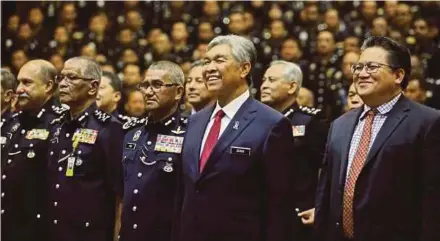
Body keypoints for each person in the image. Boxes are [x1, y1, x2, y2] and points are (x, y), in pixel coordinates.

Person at [315, 36, 440, 241]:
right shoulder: (339, 125)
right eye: (358, 67)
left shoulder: (428, 123)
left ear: (398, 75)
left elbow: (433, 201)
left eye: (372, 67)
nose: (362, 74)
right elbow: (325, 194)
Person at [177, 35, 296, 241]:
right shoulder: (195, 122)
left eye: (219, 60)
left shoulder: (271, 124)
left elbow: (278, 207)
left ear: (244, 69)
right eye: (207, 61)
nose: (209, 68)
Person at [46, 57, 123, 241]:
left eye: (71, 78)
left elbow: (119, 194)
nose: (63, 84)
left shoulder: (108, 128)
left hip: (89, 233)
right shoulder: (57, 125)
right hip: (55, 230)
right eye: (61, 78)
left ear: (92, 87)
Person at [260, 60, 329, 241]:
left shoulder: (311, 122)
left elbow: (327, 169)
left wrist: (320, 206)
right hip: (261, 212)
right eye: (264, 80)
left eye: (272, 80)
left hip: (297, 216)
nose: (264, 85)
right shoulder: (257, 120)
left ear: (292, 87)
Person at [119, 61, 186, 241]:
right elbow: (120, 194)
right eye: (145, 85)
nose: (148, 92)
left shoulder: (190, 134)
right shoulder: (131, 133)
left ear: (178, 92)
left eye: (157, 85)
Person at [1, 60, 65, 241]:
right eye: (18, 82)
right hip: (8, 223)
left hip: (39, 228)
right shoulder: (12, 122)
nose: (19, 89)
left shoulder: (60, 123)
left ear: (48, 86)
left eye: (27, 83)